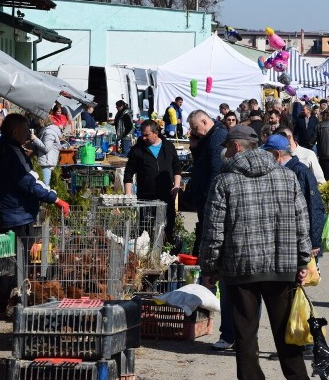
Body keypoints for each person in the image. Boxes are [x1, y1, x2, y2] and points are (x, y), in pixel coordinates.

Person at [199, 125, 312, 380]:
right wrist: (303, 260)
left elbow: (213, 230)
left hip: (240, 269)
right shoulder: (286, 176)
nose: (225, 152)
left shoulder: (224, 181)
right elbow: (301, 222)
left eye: (227, 147)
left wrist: (209, 268)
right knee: (286, 334)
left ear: (237, 147)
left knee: (245, 336)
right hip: (281, 266)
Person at [0, 113, 70, 314]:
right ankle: (10, 306)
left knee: (7, 262)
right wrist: (55, 199)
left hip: (5, 211)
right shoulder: (12, 151)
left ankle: (4, 303)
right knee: (16, 264)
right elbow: (29, 182)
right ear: (15, 132)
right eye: (25, 130)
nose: (28, 134)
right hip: (17, 215)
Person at [263, 134, 326, 258]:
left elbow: (314, 206)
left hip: (301, 241)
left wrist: (314, 242)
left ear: (277, 155)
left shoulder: (300, 172)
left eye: (267, 154)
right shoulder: (277, 171)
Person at [123, 120, 182, 245]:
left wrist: (176, 186)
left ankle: (166, 250)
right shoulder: (137, 150)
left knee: (167, 227)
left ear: (156, 133)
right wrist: (128, 195)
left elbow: (177, 167)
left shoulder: (168, 147)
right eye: (142, 134)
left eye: (146, 135)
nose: (143, 137)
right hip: (145, 198)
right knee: (144, 230)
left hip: (166, 196)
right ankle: (144, 253)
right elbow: (128, 173)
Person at [186, 110, 227, 255]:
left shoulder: (217, 136)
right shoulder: (209, 137)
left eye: (195, 128)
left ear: (204, 122)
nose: (195, 132)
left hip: (209, 196)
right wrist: (195, 148)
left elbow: (216, 169)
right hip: (203, 194)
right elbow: (201, 163)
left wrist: (211, 195)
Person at [29, 116, 62, 186]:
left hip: (46, 162)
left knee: (45, 185)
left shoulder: (49, 132)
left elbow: (46, 148)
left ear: (42, 121)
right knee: (44, 185)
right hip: (46, 161)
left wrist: (35, 139)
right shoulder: (46, 130)